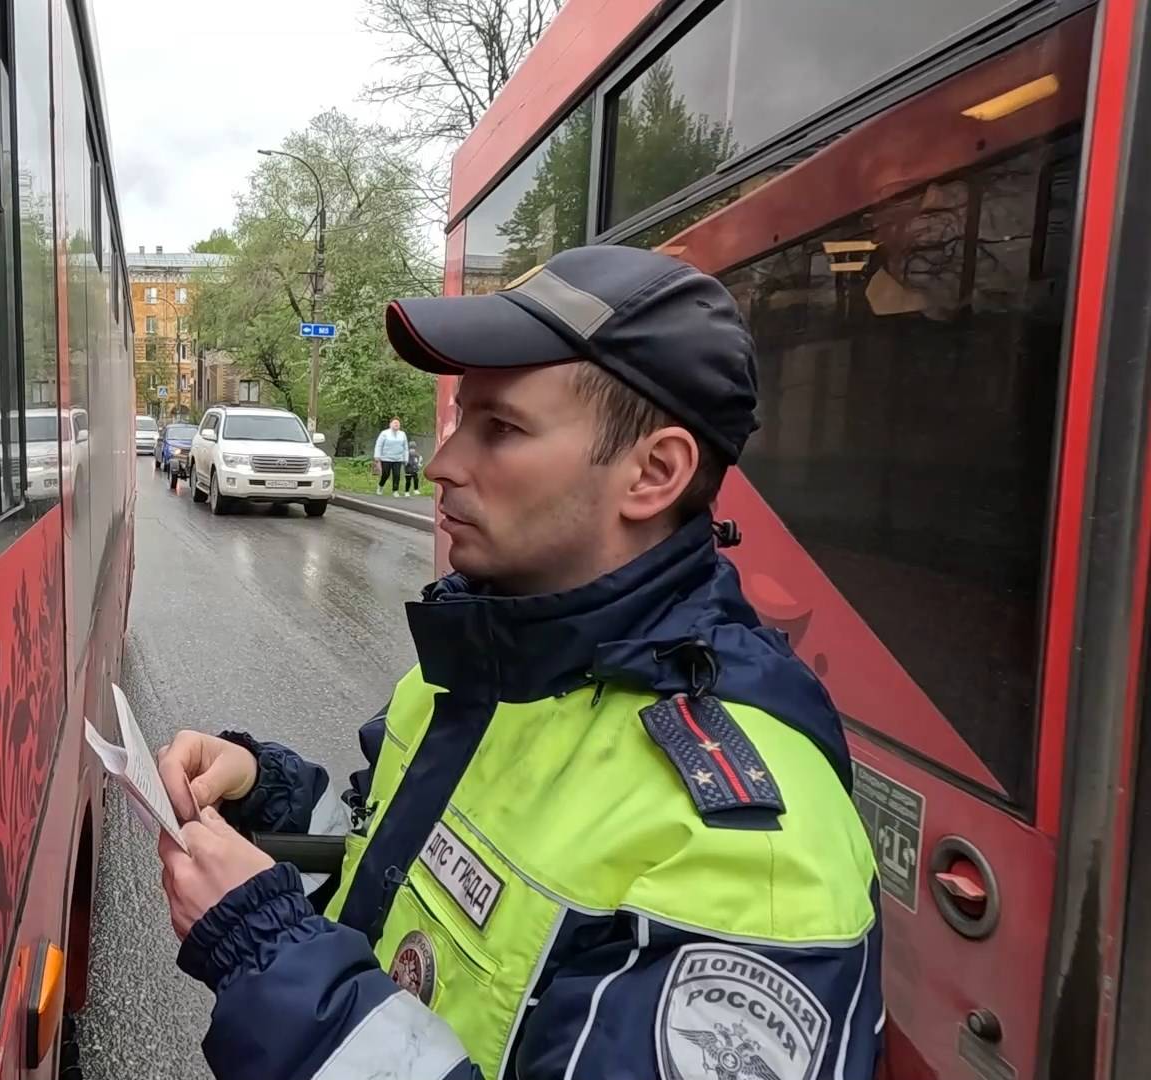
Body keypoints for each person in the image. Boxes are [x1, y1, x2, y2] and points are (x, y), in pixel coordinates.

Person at [154, 246, 882, 1080]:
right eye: (461, 420)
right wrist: (267, 792)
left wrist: (266, 950)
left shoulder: (752, 857)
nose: (442, 464)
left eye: (500, 430)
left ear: (653, 473)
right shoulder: (484, 670)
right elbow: (398, 877)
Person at [373, 417, 409, 495]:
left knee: (397, 475)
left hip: (398, 459)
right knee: (385, 474)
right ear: (390, 424)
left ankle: (395, 491)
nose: (396, 424)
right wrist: (377, 456)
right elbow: (379, 445)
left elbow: (405, 447)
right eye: (395, 423)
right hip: (386, 458)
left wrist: (406, 458)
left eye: (398, 423)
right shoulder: (384, 433)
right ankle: (380, 486)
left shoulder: (402, 434)